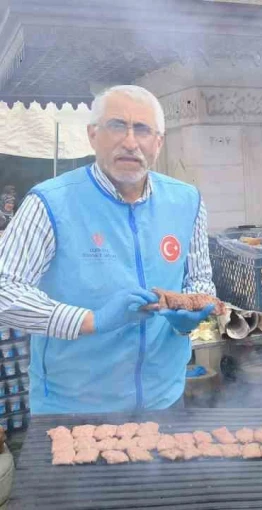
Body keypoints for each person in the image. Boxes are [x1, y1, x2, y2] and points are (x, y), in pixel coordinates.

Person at [0, 85, 216, 414]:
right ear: (92, 135)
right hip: (72, 407)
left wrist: (185, 319)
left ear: (158, 142)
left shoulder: (187, 201)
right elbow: (6, 290)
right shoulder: (50, 202)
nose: (130, 142)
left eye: (143, 129)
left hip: (163, 400)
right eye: (117, 125)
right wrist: (92, 320)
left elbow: (199, 280)